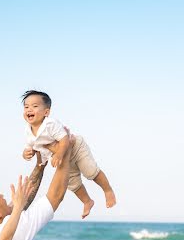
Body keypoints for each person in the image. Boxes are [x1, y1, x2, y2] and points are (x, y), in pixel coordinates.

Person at [22, 89, 116, 219]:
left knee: (90, 172)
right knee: (72, 183)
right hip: (62, 159)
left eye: (34, 106)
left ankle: (107, 190)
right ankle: (87, 201)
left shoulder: (50, 124)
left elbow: (64, 139)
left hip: (75, 148)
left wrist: (59, 154)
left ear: (46, 112)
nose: (29, 109)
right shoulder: (28, 130)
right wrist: (27, 153)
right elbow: (30, 146)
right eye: (26, 107)